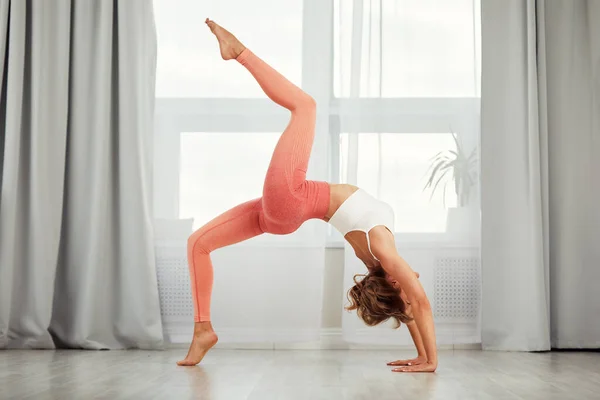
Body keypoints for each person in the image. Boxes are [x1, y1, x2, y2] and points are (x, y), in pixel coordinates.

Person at [177, 19, 437, 373]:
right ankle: (203, 330)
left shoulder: (383, 251)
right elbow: (410, 307)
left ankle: (238, 52)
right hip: (286, 212)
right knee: (198, 243)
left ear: (393, 281)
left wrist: (431, 361)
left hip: (292, 200)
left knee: (306, 107)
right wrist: (421, 355)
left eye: (404, 289)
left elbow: (418, 305)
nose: (414, 286)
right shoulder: (380, 261)